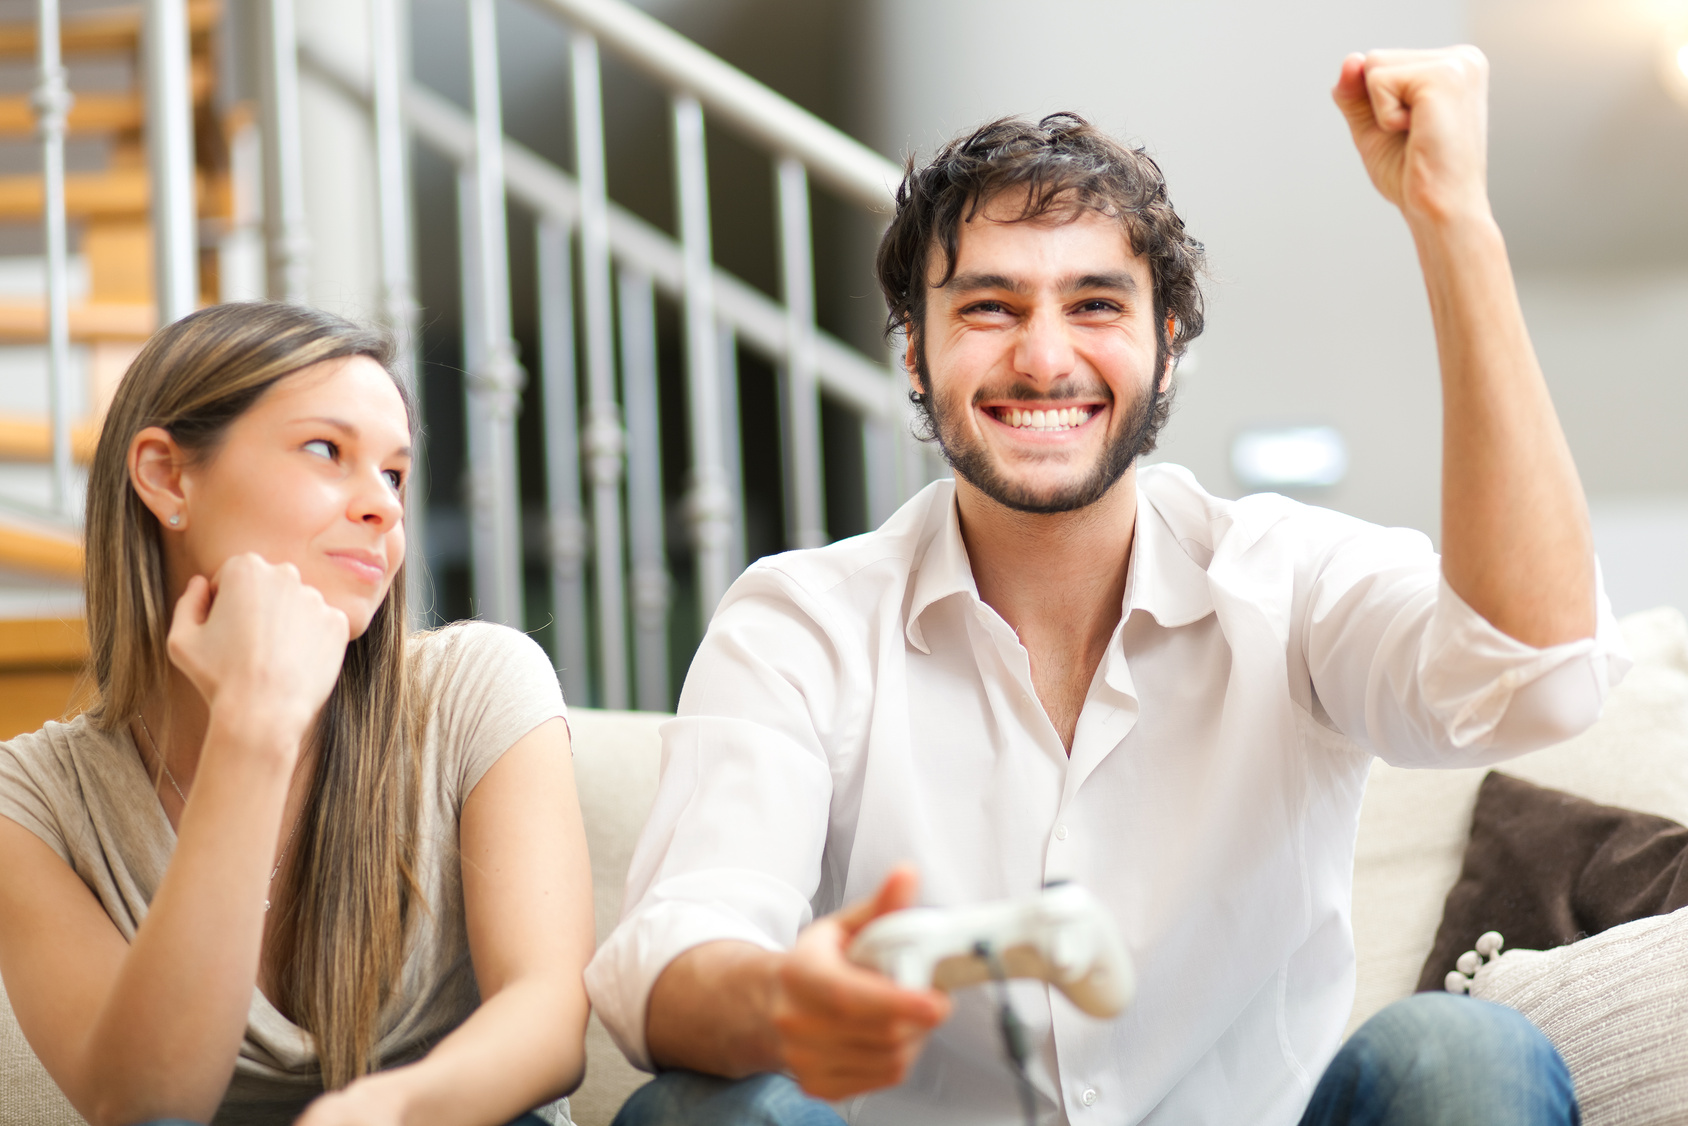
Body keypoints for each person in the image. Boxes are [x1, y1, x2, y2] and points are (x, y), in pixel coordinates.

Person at [585, 46, 1626, 1126]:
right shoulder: (802, 621)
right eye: (988, 307)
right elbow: (665, 958)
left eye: (1093, 304)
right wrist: (781, 1005)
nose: (1042, 359)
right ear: (912, 351)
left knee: (1461, 1056)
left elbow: (1539, 679)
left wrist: (1455, 222)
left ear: (1164, 347)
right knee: (704, 1110)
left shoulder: (1284, 577)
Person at [0, 303, 593, 1126]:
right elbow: (140, 1104)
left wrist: (388, 1113)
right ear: (169, 477)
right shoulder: (31, 803)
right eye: (329, 451)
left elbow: (550, 1020)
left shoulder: (479, 684)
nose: (383, 507)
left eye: (394, 473)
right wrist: (255, 728)